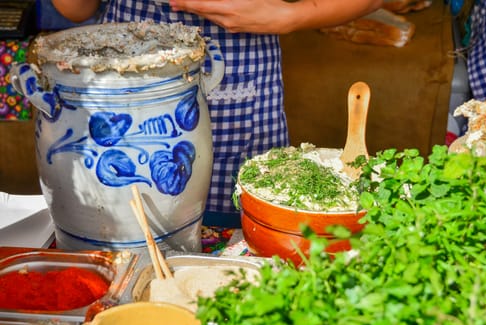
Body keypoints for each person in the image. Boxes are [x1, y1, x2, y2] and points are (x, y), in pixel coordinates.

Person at [50, 0, 383, 229]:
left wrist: (291, 14)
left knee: (242, 246)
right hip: (120, 79)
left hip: (239, 73)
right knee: (120, 230)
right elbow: (76, 8)